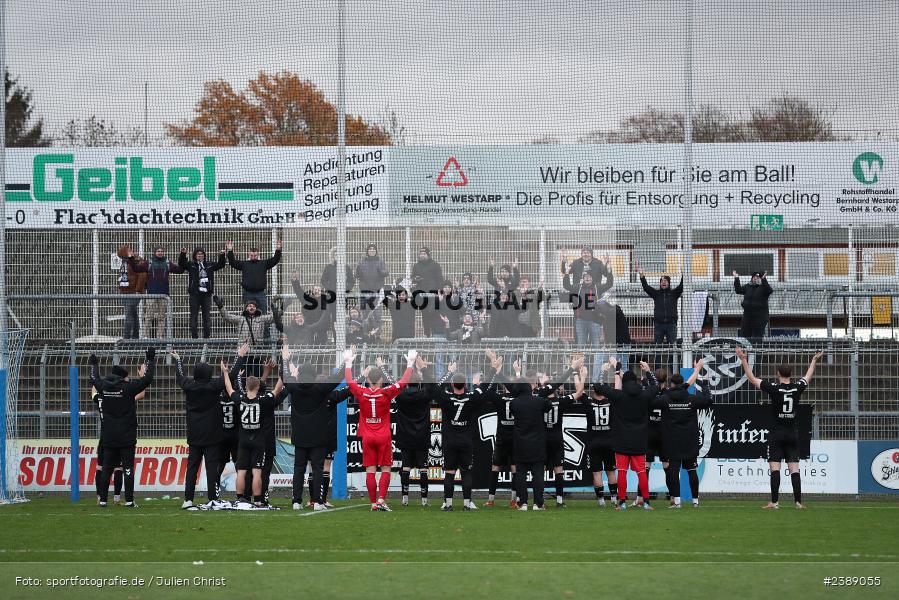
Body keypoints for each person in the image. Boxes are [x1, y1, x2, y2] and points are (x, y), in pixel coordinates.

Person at [736, 347, 824, 509]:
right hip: (792, 433)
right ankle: (798, 502)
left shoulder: (774, 389)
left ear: (778, 374)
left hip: (777, 433)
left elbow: (752, 378)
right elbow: (808, 376)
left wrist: (743, 359)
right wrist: (814, 360)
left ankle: (775, 502)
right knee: (794, 469)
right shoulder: (797, 388)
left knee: (774, 468)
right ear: (791, 374)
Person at [172, 344, 247, 510]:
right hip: (212, 435)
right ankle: (213, 497)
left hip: (194, 434)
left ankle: (188, 499)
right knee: (212, 467)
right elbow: (232, 376)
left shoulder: (189, 387)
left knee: (192, 467)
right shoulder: (213, 386)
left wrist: (178, 361)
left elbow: (180, 377)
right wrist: (239, 356)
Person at [344, 347, 417, 511]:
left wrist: (348, 364)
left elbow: (349, 382)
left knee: (370, 470)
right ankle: (381, 499)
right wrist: (410, 364)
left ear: (368, 379)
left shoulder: (362, 392)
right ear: (382, 380)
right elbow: (403, 382)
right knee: (385, 468)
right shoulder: (386, 392)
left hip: (367, 436)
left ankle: (372, 503)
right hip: (383, 435)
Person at [280, 346, 345, 511]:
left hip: (300, 437)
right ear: (314, 374)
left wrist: (285, 359)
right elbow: (338, 377)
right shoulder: (320, 389)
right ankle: (317, 502)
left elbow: (285, 375)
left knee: (299, 469)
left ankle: (296, 501)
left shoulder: (294, 387)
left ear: (300, 374)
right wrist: (347, 362)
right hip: (318, 437)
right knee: (317, 469)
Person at [89, 347, 156, 508]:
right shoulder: (128, 388)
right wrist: (150, 359)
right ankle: (129, 500)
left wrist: (94, 364)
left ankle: (103, 500)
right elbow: (147, 380)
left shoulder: (104, 387)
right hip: (126, 436)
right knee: (127, 468)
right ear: (122, 377)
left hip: (109, 436)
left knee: (106, 468)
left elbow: (94, 378)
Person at [434, 354, 501, 511]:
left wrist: (447, 372)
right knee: (466, 472)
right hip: (465, 442)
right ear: (465, 384)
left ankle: (448, 504)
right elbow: (484, 387)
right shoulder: (472, 398)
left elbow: (435, 387)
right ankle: (466, 504)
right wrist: (493, 368)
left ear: (452, 384)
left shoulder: (446, 398)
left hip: (450, 441)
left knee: (449, 473)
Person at [596, 357, 659, 511]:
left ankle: (622, 502)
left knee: (622, 472)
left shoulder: (619, 396)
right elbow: (656, 387)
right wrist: (649, 371)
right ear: (637, 381)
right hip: (639, 440)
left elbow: (599, 386)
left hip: (622, 440)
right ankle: (646, 503)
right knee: (642, 472)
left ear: (624, 382)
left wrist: (604, 372)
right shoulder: (644, 395)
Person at [221, 360, 283, 509]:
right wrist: (283, 374)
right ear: (258, 387)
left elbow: (229, 388)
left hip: (243, 441)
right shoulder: (263, 400)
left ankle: (240, 499)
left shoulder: (240, 399)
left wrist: (225, 373)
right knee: (256, 472)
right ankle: (257, 501)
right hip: (258, 441)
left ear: (247, 387)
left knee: (241, 472)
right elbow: (277, 390)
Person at [652, 360, 710, 509]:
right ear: (683, 383)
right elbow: (708, 401)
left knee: (673, 472)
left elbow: (650, 402)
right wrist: (704, 384)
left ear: (671, 384)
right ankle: (695, 501)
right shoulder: (691, 399)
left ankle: (676, 502)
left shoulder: (664, 399)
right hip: (689, 441)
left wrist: (656, 384)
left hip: (672, 442)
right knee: (691, 471)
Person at [378, 356, 434, 507]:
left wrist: (383, 367)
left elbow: (392, 384)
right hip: (422, 436)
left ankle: (405, 498)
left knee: (406, 467)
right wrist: (424, 368)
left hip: (405, 436)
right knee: (423, 468)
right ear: (420, 382)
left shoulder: (400, 395)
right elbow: (434, 385)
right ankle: (424, 500)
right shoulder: (425, 395)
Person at [537, 364, 585, 507]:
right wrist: (579, 375)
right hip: (557, 438)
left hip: (543, 438)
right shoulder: (561, 401)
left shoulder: (539, 400)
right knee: (559, 469)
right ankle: (559, 500)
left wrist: (540, 382)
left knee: (542, 469)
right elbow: (580, 392)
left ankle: (541, 500)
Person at [508, 373, 554, 511]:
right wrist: (542, 389)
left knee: (521, 474)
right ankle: (538, 503)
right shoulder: (539, 401)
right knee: (538, 475)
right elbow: (549, 405)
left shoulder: (514, 403)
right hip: (537, 444)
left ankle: (522, 503)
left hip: (520, 444)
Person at [127, 246, 185, 339]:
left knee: (161, 317)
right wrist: (131, 258)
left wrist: (182, 255)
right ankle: (145, 336)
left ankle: (159, 336)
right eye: (158, 251)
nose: (160, 252)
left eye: (162, 251)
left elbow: (180, 270)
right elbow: (136, 269)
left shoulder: (167, 263)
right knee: (149, 316)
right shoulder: (149, 263)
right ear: (154, 252)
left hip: (164, 295)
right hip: (151, 294)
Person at [179, 246, 228, 339]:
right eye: (198, 254)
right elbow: (182, 263)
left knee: (207, 317)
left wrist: (222, 255)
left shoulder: (209, 264)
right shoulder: (192, 265)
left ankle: (206, 338)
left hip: (206, 295)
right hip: (194, 295)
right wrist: (183, 254)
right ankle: (194, 338)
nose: (200, 256)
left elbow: (220, 265)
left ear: (204, 255)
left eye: (201, 254)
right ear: (195, 256)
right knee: (193, 317)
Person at [583, 384, 618, 507]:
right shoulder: (611, 402)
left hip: (593, 443)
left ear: (593, 391)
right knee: (611, 472)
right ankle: (614, 499)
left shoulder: (588, 402)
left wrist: (581, 374)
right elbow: (617, 390)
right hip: (609, 442)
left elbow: (579, 391)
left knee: (597, 473)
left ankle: (601, 501)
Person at [226, 239, 282, 315]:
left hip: (260, 293)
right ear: (249, 255)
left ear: (258, 255)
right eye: (251, 255)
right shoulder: (244, 264)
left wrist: (278, 249)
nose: (253, 257)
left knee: (263, 315)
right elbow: (232, 263)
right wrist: (230, 250)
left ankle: (264, 327)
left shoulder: (263, 263)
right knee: (248, 314)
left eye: (255, 255)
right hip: (248, 293)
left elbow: (275, 260)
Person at [214, 296, 281, 356]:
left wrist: (282, 308)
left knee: (256, 369)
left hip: (257, 351)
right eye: (249, 306)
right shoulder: (241, 319)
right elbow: (227, 317)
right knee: (242, 369)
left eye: (254, 306)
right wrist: (221, 307)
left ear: (256, 309)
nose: (251, 307)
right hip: (242, 350)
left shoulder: (261, 318)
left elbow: (273, 317)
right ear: (246, 308)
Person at [637, 267, 683, 344]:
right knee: (657, 347)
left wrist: (683, 274)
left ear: (669, 283)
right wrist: (642, 275)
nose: (663, 282)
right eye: (662, 281)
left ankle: (672, 357)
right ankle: (657, 357)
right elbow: (646, 287)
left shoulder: (674, 293)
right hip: (659, 325)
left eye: (665, 281)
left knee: (672, 347)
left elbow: (682, 286)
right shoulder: (656, 294)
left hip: (671, 325)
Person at [646, 368, 670, 505]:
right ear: (666, 379)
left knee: (646, 467)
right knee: (667, 466)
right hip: (664, 433)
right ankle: (674, 498)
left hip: (650, 433)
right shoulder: (669, 394)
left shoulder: (649, 393)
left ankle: (641, 498)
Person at [411, 247, 444, 336]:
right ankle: (427, 336)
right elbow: (412, 280)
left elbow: (440, 279)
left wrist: (440, 292)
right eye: (421, 253)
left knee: (434, 315)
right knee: (425, 316)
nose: (422, 255)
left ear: (428, 255)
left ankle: (435, 335)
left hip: (433, 295)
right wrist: (415, 280)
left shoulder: (435, 265)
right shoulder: (416, 266)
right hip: (422, 296)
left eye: (424, 253)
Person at [116, 244, 147, 339]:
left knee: (129, 313)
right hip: (125, 291)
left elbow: (142, 276)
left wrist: (138, 290)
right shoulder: (124, 263)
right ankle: (135, 336)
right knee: (133, 313)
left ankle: (126, 337)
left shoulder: (137, 262)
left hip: (134, 292)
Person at [734, 270, 773, 339]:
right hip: (747, 317)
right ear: (752, 278)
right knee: (744, 336)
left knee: (757, 337)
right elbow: (738, 290)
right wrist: (736, 278)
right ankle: (745, 349)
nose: (756, 278)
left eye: (758, 277)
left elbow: (769, 290)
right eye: (755, 277)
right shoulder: (748, 286)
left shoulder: (763, 287)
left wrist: (764, 280)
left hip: (760, 318)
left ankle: (757, 349)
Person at [355, 243, 390, 317]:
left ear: (376, 251)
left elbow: (386, 272)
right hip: (365, 291)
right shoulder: (362, 262)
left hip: (377, 292)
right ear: (367, 251)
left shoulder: (380, 262)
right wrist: (358, 272)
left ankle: (377, 328)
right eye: (370, 249)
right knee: (364, 314)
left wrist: (381, 272)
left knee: (377, 314)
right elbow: (356, 275)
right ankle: (365, 329)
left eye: (373, 249)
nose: (372, 250)